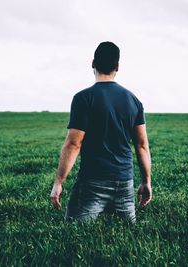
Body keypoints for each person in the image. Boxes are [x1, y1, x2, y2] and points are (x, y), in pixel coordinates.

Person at [50, 41, 152, 222]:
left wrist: (59, 182)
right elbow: (142, 145)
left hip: (91, 183)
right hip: (124, 183)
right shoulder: (133, 100)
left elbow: (74, 144)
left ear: (92, 63)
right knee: (128, 235)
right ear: (117, 67)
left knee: (74, 233)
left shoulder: (83, 98)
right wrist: (146, 182)